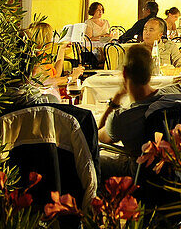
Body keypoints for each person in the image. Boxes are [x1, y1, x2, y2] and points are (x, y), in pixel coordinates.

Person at [97, 45, 163, 176]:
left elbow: (99, 135)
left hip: (137, 174)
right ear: (151, 73)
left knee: (92, 161)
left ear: (124, 73)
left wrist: (115, 100)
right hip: (172, 172)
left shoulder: (122, 118)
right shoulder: (175, 94)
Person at [27, 21, 85, 89]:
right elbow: (47, 82)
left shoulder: (42, 55)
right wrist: (71, 77)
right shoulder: (35, 59)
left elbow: (56, 75)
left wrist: (62, 50)